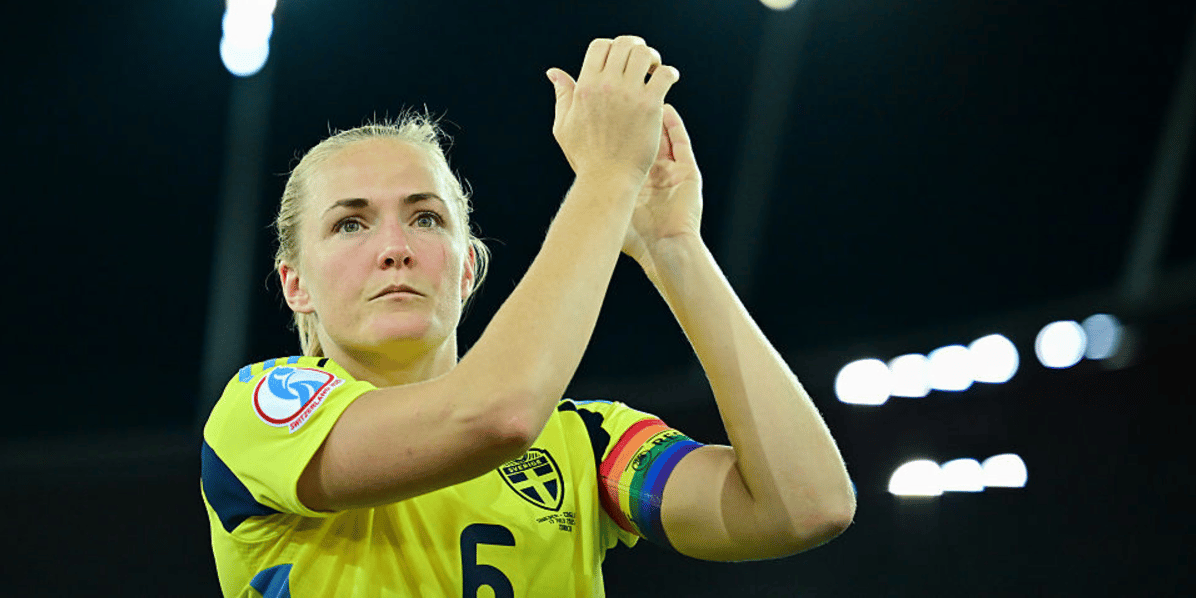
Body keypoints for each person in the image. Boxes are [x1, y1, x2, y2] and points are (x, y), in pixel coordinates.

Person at [200, 36, 856, 597]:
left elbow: (807, 506)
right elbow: (494, 416)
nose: (395, 247)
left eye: (426, 217)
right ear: (295, 285)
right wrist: (606, 174)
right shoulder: (259, 415)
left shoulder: (588, 444)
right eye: (350, 223)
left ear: (466, 269)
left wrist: (672, 245)